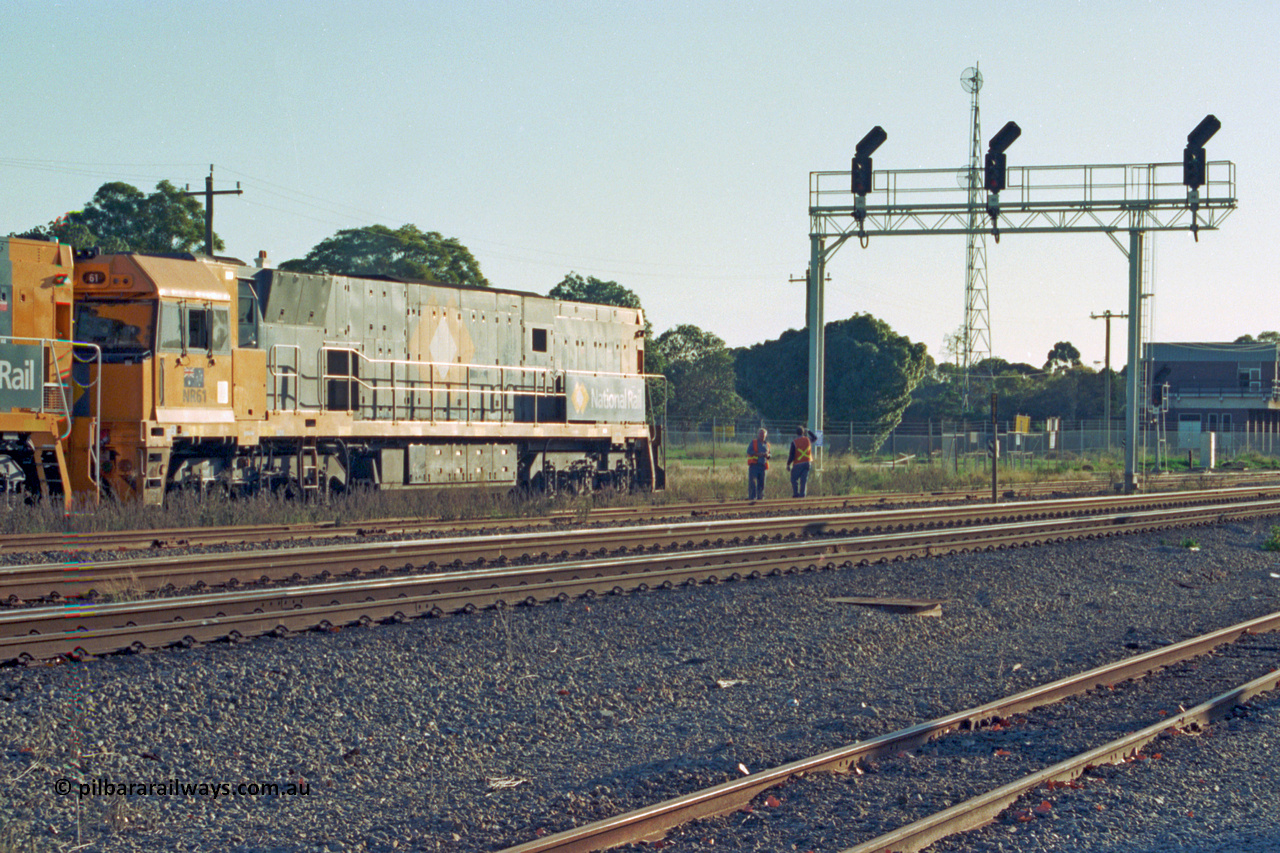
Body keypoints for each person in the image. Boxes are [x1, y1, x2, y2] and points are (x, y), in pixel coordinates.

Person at [787, 425, 816, 498]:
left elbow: (792, 455)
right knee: (804, 480)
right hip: (807, 462)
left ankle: (796, 494)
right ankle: (802, 494)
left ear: (796, 433)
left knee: (794, 479)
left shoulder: (794, 442)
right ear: (803, 432)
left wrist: (788, 464)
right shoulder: (807, 440)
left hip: (798, 463)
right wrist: (808, 431)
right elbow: (815, 438)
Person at [746, 428, 770, 500]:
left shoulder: (767, 445)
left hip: (763, 466)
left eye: (763, 434)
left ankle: (760, 498)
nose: (761, 435)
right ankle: (752, 498)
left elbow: (770, 454)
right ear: (758, 434)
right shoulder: (753, 442)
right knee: (752, 483)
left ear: (766, 435)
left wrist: (768, 455)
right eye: (760, 434)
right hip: (754, 466)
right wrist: (757, 454)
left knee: (761, 484)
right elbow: (749, 451)